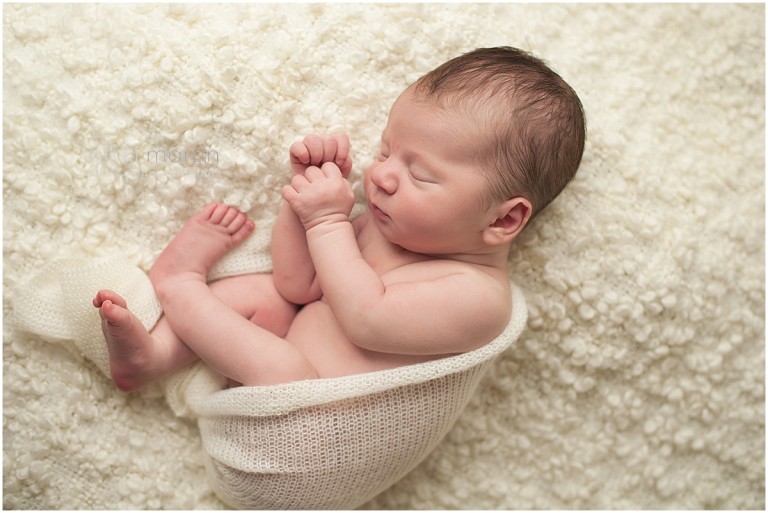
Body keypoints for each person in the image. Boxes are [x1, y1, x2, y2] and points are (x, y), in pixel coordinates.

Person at [92, 46, 586, 391]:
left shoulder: (479, 298)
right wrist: (303, 201)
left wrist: (328, 224)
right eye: (388, 150)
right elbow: (298, 284)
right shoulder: (385, 227)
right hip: (261, 383)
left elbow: (365, 320)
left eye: (421, 174)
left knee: (287, 371)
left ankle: (178, 283)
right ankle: (153, 359)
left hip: (305, 439)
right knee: (266, 297)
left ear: (503, 220)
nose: (382, 174)